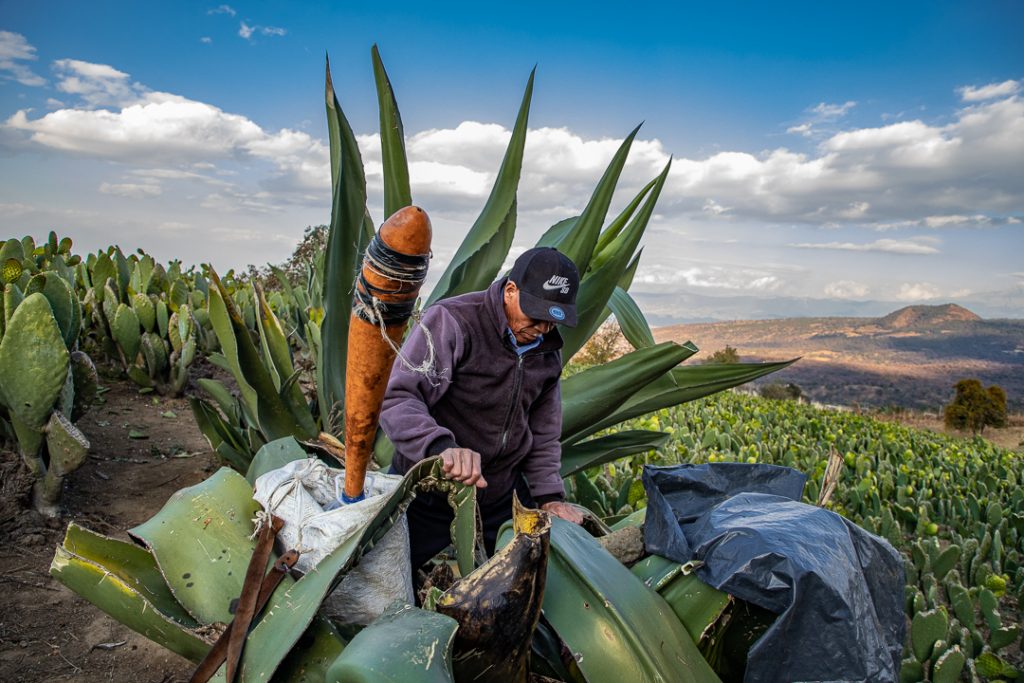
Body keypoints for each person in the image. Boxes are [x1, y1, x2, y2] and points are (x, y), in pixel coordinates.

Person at [380, 246, 585, 571]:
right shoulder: (453, 321)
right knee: (389, 581)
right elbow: (399, 398)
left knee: (517, 589)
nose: (543, 329)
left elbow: (544, 432)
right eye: (536, 315)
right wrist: (441, 448)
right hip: (428, 494)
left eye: (552, 321)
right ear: (510, 290)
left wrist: (549, 496)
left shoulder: (547, 351)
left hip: (500, 497)